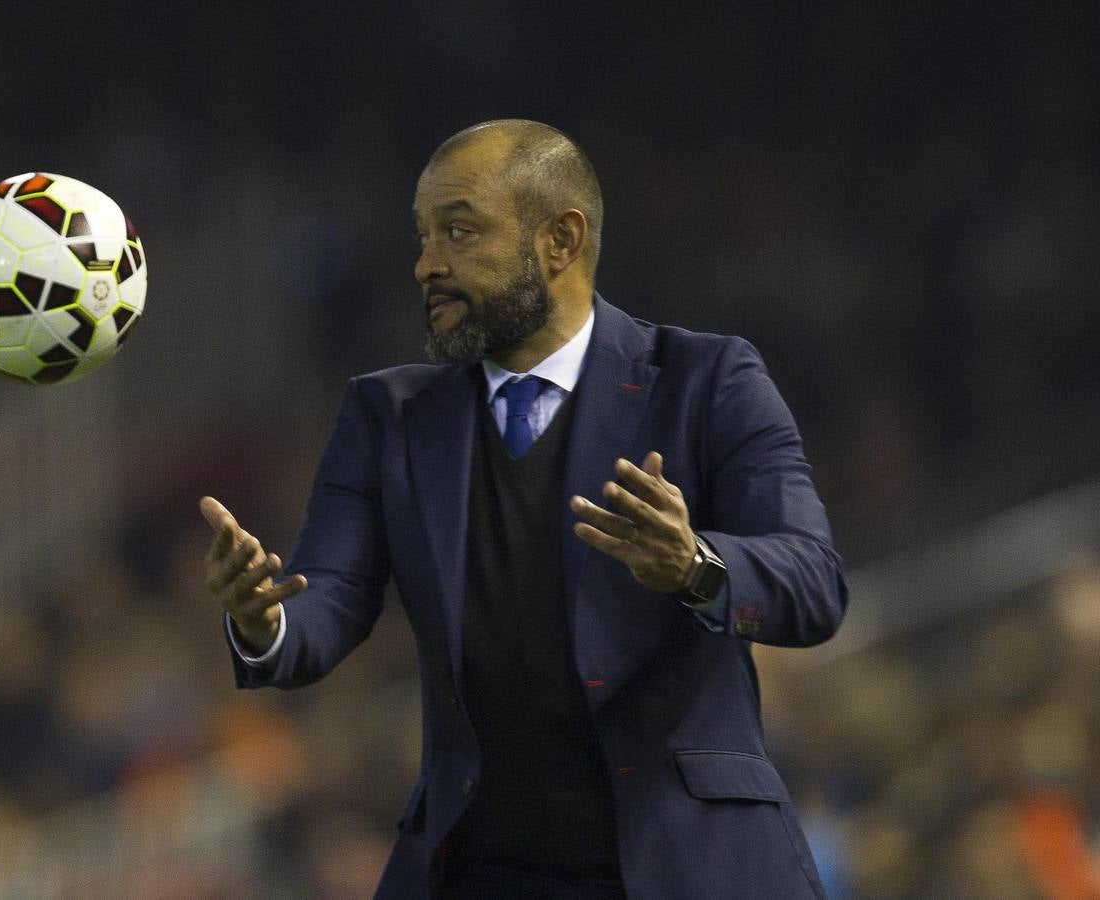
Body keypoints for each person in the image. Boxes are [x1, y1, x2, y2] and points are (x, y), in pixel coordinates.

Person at [201, 119, 847, 899]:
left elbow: (813, 583)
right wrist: (262, 621)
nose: (426, 264)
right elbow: (326, 600)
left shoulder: (707, 381)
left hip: (687, 865)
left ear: (560, 241)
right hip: (478, 871)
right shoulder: (387, 415)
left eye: (459, 231)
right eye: (423, 235)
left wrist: (695, 567)